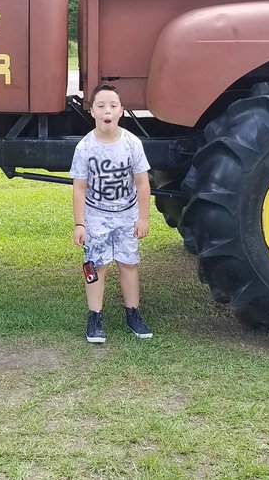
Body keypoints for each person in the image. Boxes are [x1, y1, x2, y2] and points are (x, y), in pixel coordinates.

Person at [70, 84, 153, 343]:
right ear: (92, 111)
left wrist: (142, 217)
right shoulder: (85, 147)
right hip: (96, 217)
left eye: (113, 106)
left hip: (127, 216)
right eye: (101, 106)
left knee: (129, 264)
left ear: (121, 112)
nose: (108, 110)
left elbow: (142, 183)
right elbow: (79, 188)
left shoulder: (132, 144)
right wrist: (80, 224)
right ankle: (94, 317)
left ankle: (133, 314)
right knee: (95, 266)